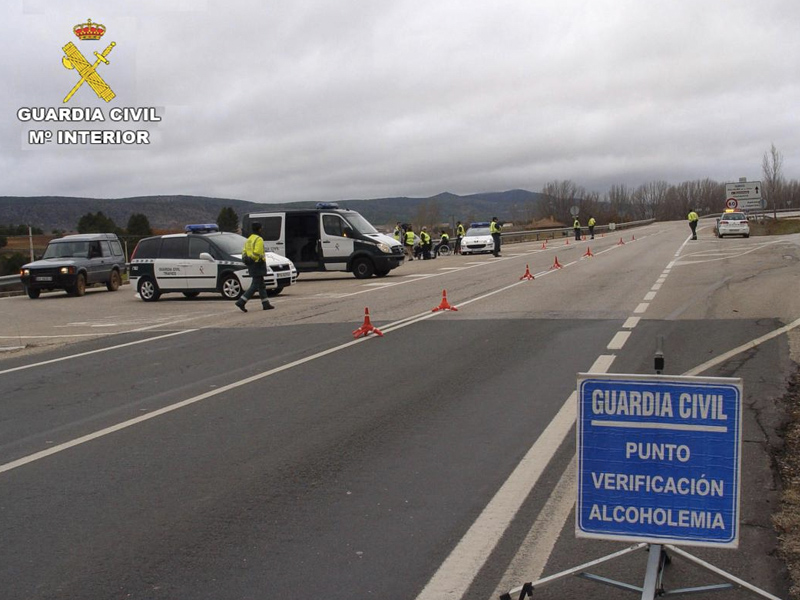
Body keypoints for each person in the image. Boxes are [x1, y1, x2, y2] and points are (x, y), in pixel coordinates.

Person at [235, 221, 274, 312]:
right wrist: (255, 258)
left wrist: (248, 260)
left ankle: (265, 304)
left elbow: (244, 251)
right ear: (259, 229)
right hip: (258, 264)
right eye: (261, 228)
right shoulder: (259, 239)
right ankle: (241, 301)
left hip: (251, 264)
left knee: (261, 285)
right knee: (255, 285)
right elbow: (258, 252)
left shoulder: (249, 239)